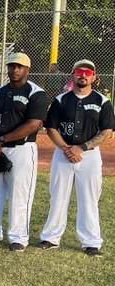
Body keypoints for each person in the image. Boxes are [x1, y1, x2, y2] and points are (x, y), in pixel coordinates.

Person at [38, 59, 113, 257]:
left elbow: (106, 131)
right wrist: (66, 148)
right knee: (58, 196)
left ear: (94, 77)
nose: (83, 75)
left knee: (89, 198)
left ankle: (91, 242)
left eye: (88, 72)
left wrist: (81, 148)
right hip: (63, 154)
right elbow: (51, 127)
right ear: (72, 75)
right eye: (79, 72)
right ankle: (51, 237)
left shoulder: (102, 101)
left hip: (89, 155)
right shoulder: (61, 100)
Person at [0, 52, 50, 252]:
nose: (15, 70)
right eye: (12, 66)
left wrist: (1, 140)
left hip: (21, 148)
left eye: (19, 66)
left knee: (20, 193)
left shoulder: (36, 93)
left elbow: (34, 124)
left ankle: (18, 236)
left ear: (28, 69)